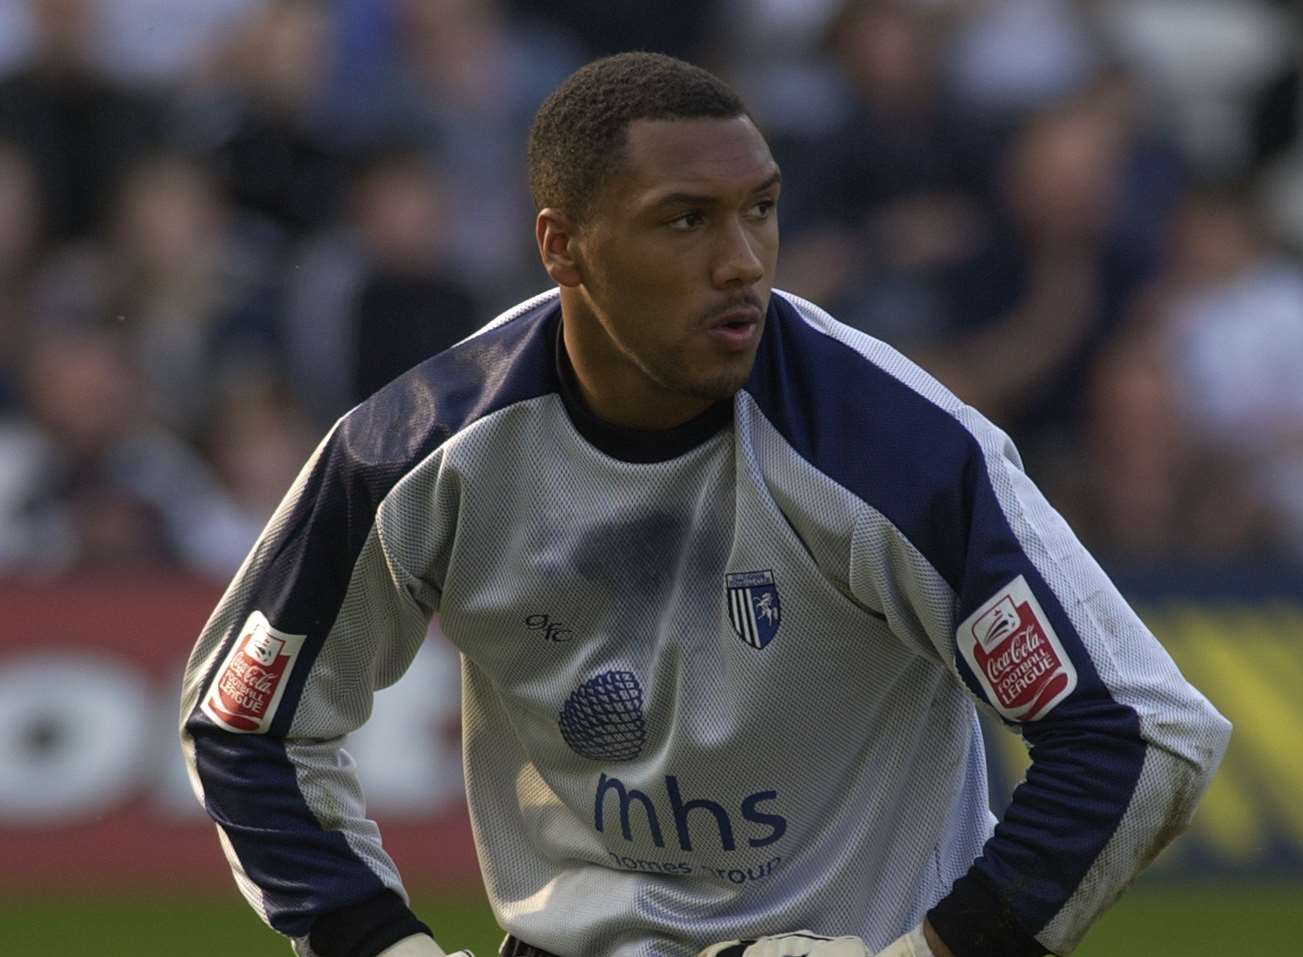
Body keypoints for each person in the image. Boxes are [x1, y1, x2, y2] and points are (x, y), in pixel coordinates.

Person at [179, 53, 1230, 957]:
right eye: (683, 221)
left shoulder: (896, 451)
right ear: (562, 246)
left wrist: (929, 951)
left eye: (760, 209)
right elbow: (243, 727)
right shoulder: (419, 451)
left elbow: (1141, 734)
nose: (741, 263)